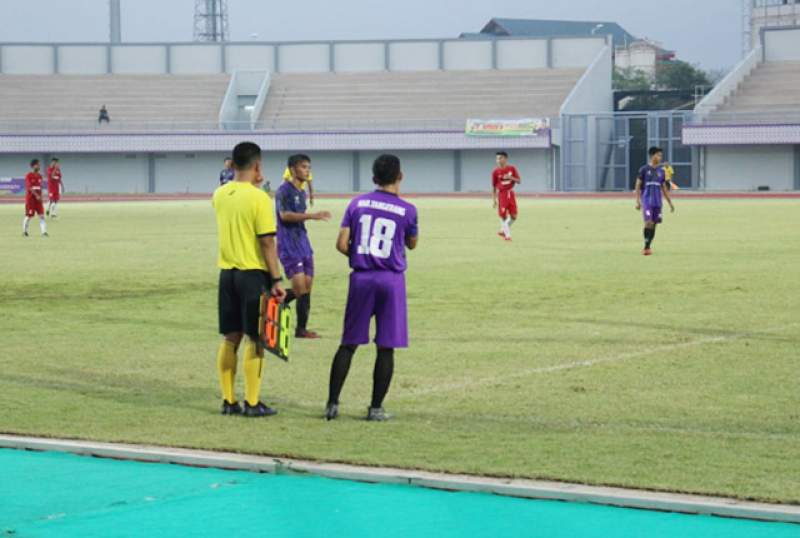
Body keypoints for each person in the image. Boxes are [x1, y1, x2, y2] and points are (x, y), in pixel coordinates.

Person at [325, 154, 419, 422]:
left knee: (349, 343)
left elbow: (342, 244)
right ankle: (375, 408)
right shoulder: (408, 209)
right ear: (400, 176)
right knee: (386, 346)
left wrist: (361, 257)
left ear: (374, 178)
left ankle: (332, 404)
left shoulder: (357, 204)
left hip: (361, 278)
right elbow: (412, 243)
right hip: (391, 280)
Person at [212, 141, 286, 418]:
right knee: (256, 339)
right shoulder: (259, 198)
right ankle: (252, 403)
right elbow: (267, 242)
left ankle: (228, 400)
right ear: (257, 165)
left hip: (226, 274)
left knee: (230, 337)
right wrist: (277, 279)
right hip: (252, 274)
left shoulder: (219, 194)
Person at [275, 154, 331, 339]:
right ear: (292, 169)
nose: (307, 170)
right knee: (299, 289)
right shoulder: (283, 190)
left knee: (307, 288)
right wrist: (312, 216)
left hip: (303, 243)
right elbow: (284, 216)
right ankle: (273, 302)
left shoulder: (301, 192)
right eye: (304, 167)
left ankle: (301, 329)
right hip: (288, 244)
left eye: (309, 167)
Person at [635, 147, 675, 256]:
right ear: (652, 156)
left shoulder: (662, 171)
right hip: (647, 200)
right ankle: (646, 247)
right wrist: (637, 201)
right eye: (658, 155)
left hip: (658, 202)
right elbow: (638, 185)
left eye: (661, 155)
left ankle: (648, 246)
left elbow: (664, 188)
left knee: (654, 224)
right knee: (649, 222)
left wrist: (670, 202)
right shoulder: (643, 169)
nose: (660, 157)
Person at [492, 151, 521, 241]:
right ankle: (508, 236)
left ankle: (502, 230)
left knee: (514, 216)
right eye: (497, 158)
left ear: (505, 158)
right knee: (503, 215)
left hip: (511, 194)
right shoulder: (495, 172)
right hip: (502, 194)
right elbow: (493, 186)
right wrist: (494, 200)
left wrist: (510, 177)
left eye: (500, 158)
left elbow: (519, 181)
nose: (498, 160)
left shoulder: (512, 168)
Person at [23, 159, 48, 237]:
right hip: (31, 200)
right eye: (38, 164)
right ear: (33, 166)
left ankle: (44, 232)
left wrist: (41, 196)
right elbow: (29, 187)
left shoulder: (40, 176)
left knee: (41, 216)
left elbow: (39, 188)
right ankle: (25, 232)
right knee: (29, 216)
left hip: (38, 200)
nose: (39, 166)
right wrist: (36, 195)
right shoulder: (28, 176)